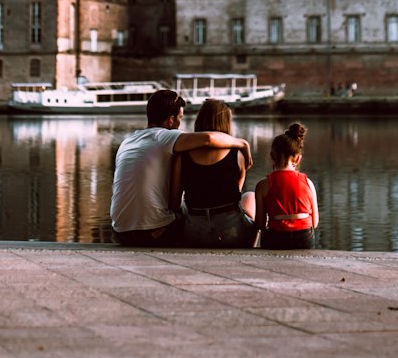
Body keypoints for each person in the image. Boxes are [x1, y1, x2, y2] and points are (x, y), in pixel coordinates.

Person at [110, 88, 252, 246]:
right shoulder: (166, 137)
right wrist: (242, 143)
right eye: (180, 118)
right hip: (154, 233)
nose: (180, 124)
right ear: (171, 120)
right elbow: (208, 138)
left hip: (120, 232)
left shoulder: (127, 142)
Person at [178, 98, 256, 247]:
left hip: (193, 232)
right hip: (230, 232)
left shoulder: (183, 153)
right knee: (250, 196)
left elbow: (175, 199)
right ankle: (249, 248)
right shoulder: (237, 154)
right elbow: (236, 195)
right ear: (226, 122)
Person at [254, 122, 319, 250]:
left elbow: (260, 224)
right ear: (298, 159)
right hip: (304, 238)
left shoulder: (262, 185)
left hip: (276, 238)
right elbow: (315, 223)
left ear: (272, 156)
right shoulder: (308, 183)